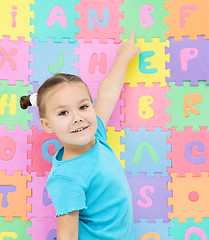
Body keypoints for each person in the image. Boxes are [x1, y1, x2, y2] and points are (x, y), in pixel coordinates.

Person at [20, 31, 141, 240]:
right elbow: (68, 235)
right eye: (63, 113)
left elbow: (108, 92)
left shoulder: (95, 135)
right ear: (47, 125)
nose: (77, 118)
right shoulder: (67, 178)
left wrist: (124, 56)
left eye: (83, 107)